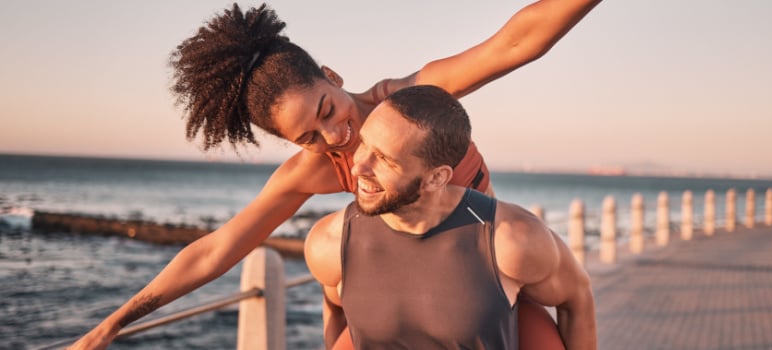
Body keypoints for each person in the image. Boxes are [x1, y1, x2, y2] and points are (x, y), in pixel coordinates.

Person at [67, 1, 601, 349]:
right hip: (394, 300)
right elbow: (215, 250)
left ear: (331, 76)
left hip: (483, 288)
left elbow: (515, 43)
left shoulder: (411, 98)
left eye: (327, 111)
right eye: (307, 137)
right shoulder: (315, 169)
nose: (336, 139)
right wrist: (110, 326)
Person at [305, 85, 597, 349]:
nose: (358, 168)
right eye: (364, 144)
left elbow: (577, 297)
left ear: (435, 178)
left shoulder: (509, 239)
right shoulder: (329, 243)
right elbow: (335, 309)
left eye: (384, 159)